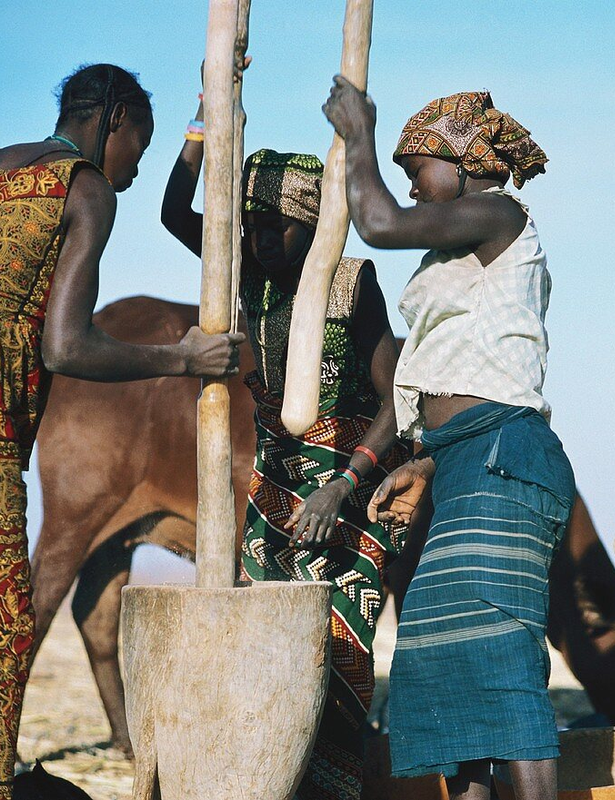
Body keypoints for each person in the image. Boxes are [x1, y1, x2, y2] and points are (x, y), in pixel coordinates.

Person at [0, 64, 243, 800]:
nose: (134, 170)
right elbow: (66, 347)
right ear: (113, 121)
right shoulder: (85, 188)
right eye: (136, 147)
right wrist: (181, 358)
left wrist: (202, 128)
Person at [323, 82, 575, 800]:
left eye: (417, 168)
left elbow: (374, 221)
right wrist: (425, 459)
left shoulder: (499, 214)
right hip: (464, 463)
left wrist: (360, 133)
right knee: (444, 673)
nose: (409, 185)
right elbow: (442, 368)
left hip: (506, 457)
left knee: (499, 665)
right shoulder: (452, 255)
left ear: (465, 161)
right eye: (400, 171)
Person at [161, 88, 408, 800]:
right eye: (252, 224)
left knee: (339, 660)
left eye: (279, 227)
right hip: (273, 490)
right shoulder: (246, 274)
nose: (262, 239)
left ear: (311, 225)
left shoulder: (352, 284)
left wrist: (347, 481)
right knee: (259, 657)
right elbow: (177, 213)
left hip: (349, 492)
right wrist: (204, 121)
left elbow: (396, 397)